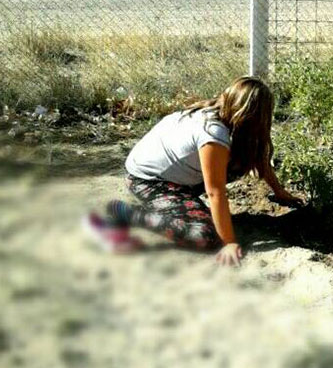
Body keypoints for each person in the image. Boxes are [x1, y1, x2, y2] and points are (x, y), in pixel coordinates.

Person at [83, 76, 302, 266]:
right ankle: (127, 213)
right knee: (205, 236)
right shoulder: (214, 134)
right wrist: (229, 242)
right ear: (250, 116)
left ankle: (178, 205)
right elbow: (215, 192)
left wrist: (279, 192)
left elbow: (257, 157)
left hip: (170, 174)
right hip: (148, 180)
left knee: (242, 158)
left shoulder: (220, 113)